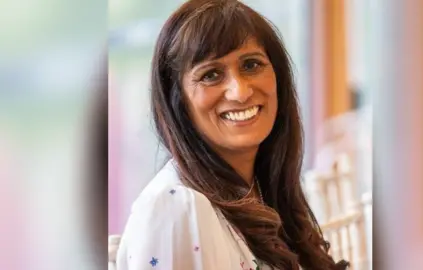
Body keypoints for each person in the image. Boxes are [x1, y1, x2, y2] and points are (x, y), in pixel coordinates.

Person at [116, 0, 349, 269]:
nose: (240, 91)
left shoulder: (265, 195)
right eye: (211, 75)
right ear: (177, 102)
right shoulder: (175, 208)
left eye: (251, 65)